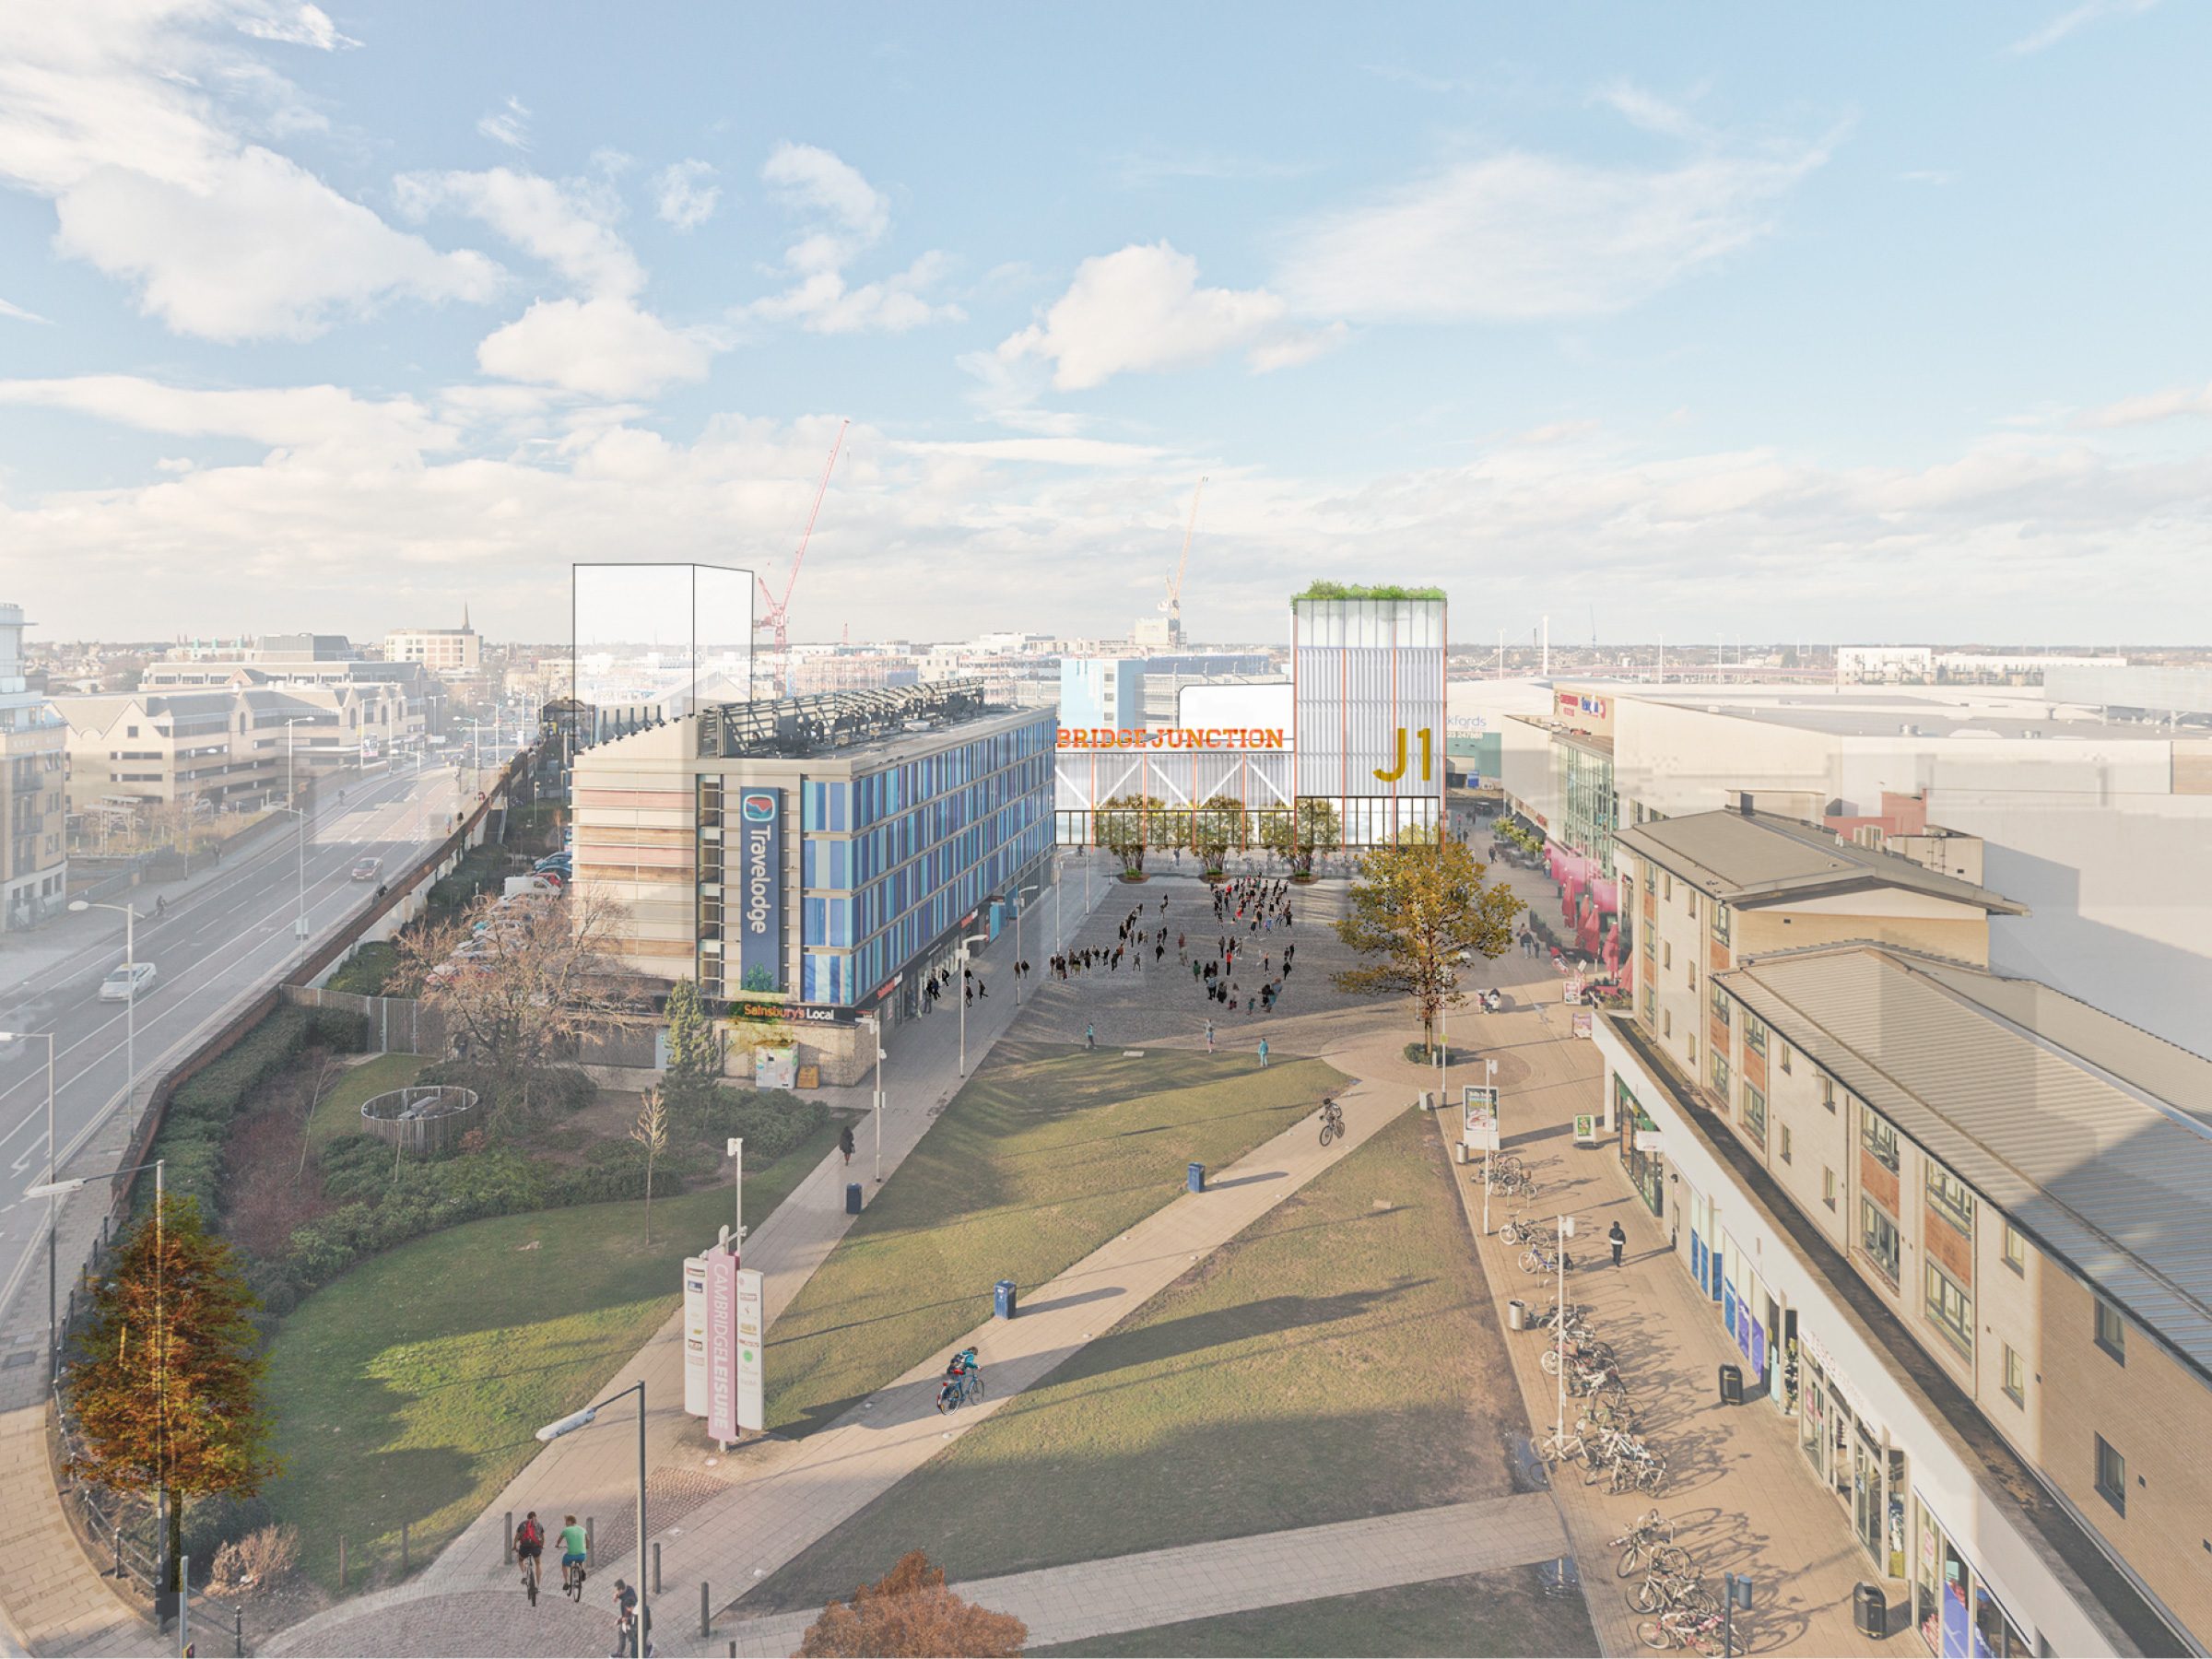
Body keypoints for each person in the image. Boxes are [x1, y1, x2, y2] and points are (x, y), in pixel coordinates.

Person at [515, 1511, 545, 1595]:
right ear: (535, 1516)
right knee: (538, 1564)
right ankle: (538, 1586)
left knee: (520, 1560)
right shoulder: (538, 1524)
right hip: (535, 1548)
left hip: (524, 1548)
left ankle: (525, 1574)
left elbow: (517, 1536)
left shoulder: (522, 1524)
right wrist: (541, 1546)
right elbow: (542, 1537)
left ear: (527, 1518)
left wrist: (514, 1545)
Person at [558, 1514, 587, 1595]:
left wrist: (557, 1545)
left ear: (570, 1521)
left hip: (571, 1555)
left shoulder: (566, 1530)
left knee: (564, 1564)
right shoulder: (582, 1529)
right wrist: (587, 1546)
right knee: (580, 1557)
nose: (565, 1524)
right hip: (582, 1555)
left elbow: (559, 1539)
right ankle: (581, 1570)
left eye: (566, 1522)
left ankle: (566, 1582)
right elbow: (587, 1539)